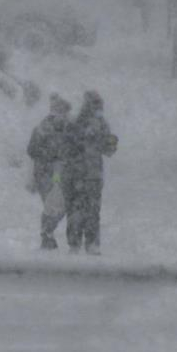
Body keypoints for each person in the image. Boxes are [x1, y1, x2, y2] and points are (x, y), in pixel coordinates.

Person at [64, 90, 117, 255]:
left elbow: (109, 150)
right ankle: (76, 243)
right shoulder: (76, 123)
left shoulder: (101, 124)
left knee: (90, 211)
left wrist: (110, 141)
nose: (98, 109)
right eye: (96, 105)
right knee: (78, 210)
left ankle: (89, 243)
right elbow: (66, 148)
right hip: (79, 174)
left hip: (91, 175)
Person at [27, 93, 74, 250]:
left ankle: (47, 234)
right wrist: (52, 157)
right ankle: (46, 235)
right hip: (47, 173)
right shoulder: (42, 129)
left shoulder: (67, 129)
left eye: (66, 113)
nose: (65, 115)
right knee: (54, 205)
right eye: (63, 112)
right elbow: (32, 151)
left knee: (60, 205)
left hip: (58, 173)